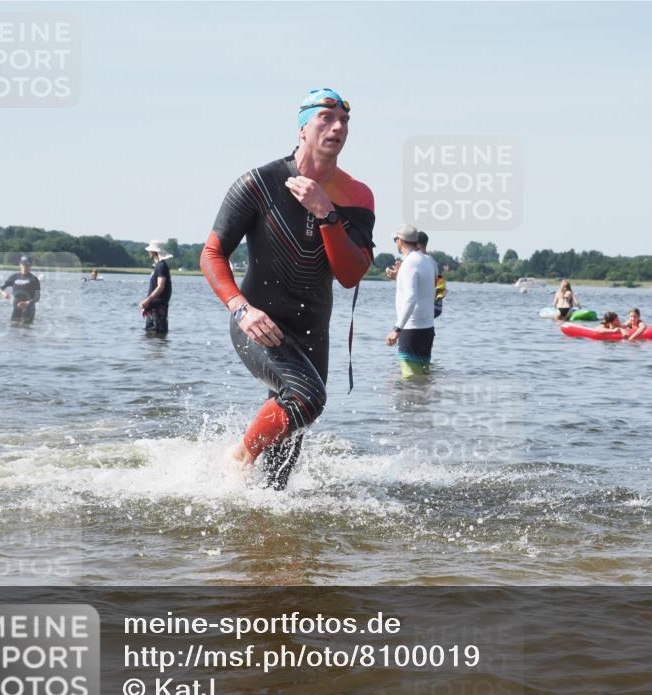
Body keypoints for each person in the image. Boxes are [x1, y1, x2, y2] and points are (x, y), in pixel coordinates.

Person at [199, 87, 374, 489]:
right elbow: (211, 254)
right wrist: (240, 308)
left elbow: (351, 274)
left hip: (313, 329)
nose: (338, 127)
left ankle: (264, 522)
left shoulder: (357, 196)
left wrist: (325, 212)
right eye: (325, 118)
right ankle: (239, 454)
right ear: (302, 128)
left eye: (345, 121)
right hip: (258, 322)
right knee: (306, 398)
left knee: (279, 473)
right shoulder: (259, 183)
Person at [386, 224, 436, 378]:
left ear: (401, 241)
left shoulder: (409, 263)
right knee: (422, 379)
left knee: (410, 380)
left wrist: (397, 329)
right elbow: (426, 291)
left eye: (396, 240)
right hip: (427, 329)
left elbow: (411, 298)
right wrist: (398, 279)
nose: (396, 242)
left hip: (412, 329)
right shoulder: (428, 261)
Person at [140, 240, 172, 334]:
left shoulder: (162, 266)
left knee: (158, 334)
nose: (148, 252)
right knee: (150, 337)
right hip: (153, 307)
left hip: (158, 308)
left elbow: (160, 286)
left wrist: (147, 300)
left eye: (150, 250)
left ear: (154, 252)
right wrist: (147, 307)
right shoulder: (158, 266)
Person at [0, 256, 41, 325]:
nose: (25, 266)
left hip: (29, 308)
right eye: (23, 264)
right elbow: (0, 287)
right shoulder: (14, 277)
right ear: (20, 264)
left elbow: (37, 298)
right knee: (14, 327)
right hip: (16, 307)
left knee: (25, 327)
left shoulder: (34, 279)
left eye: (27, 264)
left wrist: (27, 303)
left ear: (30, 265)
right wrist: (3, 292)